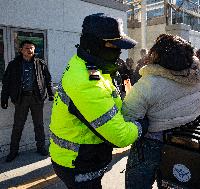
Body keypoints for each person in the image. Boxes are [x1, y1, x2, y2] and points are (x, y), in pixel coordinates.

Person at [49, 13, 143, 189]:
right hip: (78, 163)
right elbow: (120, 136)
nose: (118, 51)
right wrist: (141, 126)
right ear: (94, 44)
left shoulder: (89, 65)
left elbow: (110, 100)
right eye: (113, 45)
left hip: (85, 157)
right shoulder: (86, 81)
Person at [122, 34, 200, 188]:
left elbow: (128, 117)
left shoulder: (149, 84)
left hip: (150, 144)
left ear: (157, 55)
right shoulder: (198, 78)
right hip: (185, 140)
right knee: (171, 184)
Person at [1, 40, 54, 162]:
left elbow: (48, 79)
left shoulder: (40, 63)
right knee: (18, 126)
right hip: (21, 99)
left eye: (31, 48)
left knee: (39, 125)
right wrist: (4, 98)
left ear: (34, 50)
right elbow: (6, 82)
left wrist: (51, 94)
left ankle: (41, 147)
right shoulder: (13, 64)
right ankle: (13, 152)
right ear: (21, 50)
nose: (29, 50)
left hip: (36, 98)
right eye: (26, 48)